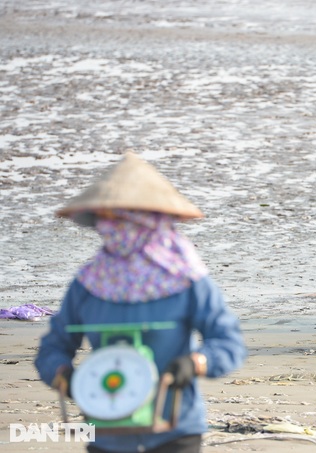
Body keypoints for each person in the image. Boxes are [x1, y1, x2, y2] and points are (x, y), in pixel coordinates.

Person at [34, 152, 248, 453]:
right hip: (106, 434)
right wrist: (64, 376)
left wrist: (197, 362)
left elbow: (229, 342)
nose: (115, 228)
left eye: (125, 218)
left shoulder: (186, 280)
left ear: (153, 219)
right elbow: (53, 347)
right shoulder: (89, 283)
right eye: (108, 219)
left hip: (176, 430)